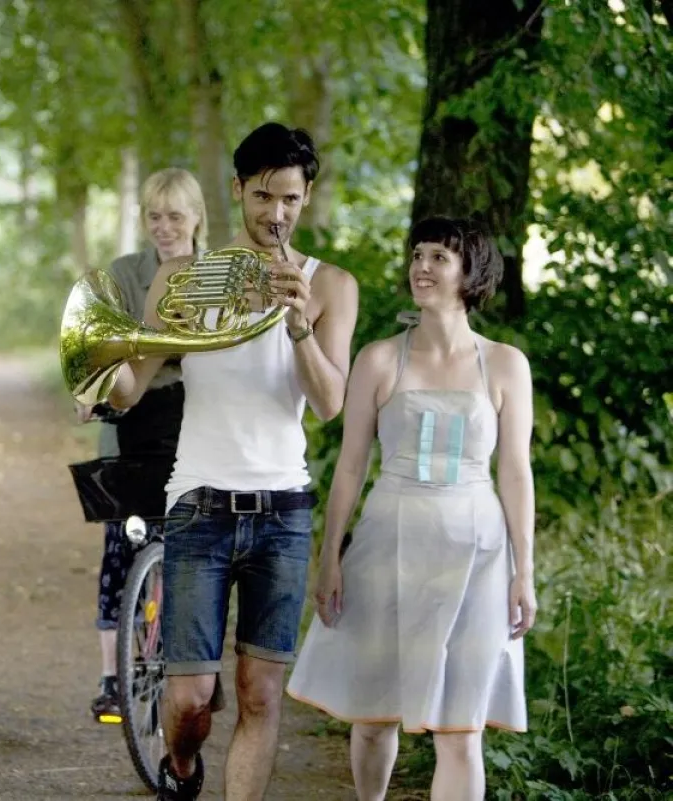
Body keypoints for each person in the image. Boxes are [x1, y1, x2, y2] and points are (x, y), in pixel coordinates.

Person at [108, 122, 360, 800]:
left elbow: (330, 401)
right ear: (235, 191)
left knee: (260, 693)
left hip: (283, 509)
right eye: (261, 197)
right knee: (191, 696)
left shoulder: (332, 284)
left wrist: (300, 326)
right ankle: (184, 763)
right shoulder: (183, 277)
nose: (275, 214)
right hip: (199, 503)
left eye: (290, 199)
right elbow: (133, 383)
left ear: (306, 198)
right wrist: (98, 379)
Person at [286, 216, 535, 801]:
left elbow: (516, 472)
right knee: (373, 718)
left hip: (476, 552)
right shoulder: (379, 359)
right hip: (387, 542)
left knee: (460, 729)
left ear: (471, 272)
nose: (422, 267)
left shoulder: (505, 365)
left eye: (439, 257)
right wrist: (330, 557)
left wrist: (525, 571)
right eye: (417, 254)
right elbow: (349, 468)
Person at [81, 167, 203, 722]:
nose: (164, 227)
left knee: (200, 552)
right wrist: (91, 389)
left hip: (200, 425)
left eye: (175, 216)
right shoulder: (124, 274)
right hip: (133, 423)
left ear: (196, 216)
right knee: (119, 545)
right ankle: (112, 677)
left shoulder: (214, 273)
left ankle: (196, 670)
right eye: (154, 216)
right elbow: (103, 345)